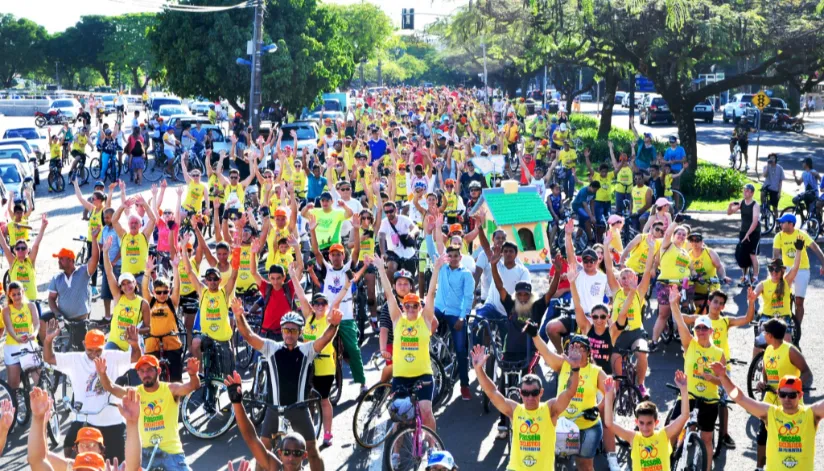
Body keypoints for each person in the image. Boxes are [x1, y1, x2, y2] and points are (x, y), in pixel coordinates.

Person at [232, 300, 342, 471]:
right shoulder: (271, 347)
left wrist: (334, 325)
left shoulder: (307, 350)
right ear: (282, 331)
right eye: (285, 330)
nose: (289, 334)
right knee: (263, 451)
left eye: (293, 330)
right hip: (273, 409)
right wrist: (239, 316)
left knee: (312, 451)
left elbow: (324, 339)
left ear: (299, 332)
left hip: (298, 409)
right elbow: (249, 336)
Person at [43, 318, 140, 462]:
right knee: (69, 449)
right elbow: (49, 358)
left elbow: (135, 358)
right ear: (83, 345)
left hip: (112, 421)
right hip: (84, 419)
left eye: (99, 350)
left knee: (118, 462)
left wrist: (134, 344)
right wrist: (48, 340)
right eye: (90, 350)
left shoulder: (112, 357)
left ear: (104, 346)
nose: (94, 354)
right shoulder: (75, 360)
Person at [471, 343, 580, 471]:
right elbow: (492, 392)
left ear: (541, 392)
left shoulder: (550, 410)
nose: (530, 397)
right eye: (525, 393)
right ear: (520, 393)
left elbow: (569, 392)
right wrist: (479, 369)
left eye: (534, 393)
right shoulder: (514, 410)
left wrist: (575, 369)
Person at [710, 362, 823, 471]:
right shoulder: (770, 413)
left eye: (792, 395)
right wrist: (723, 377)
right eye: (783, 394)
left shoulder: (811, 414)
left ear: (800, 395)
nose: (787, 399)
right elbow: (740, 398)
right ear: (778, 395)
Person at [96, 354, 200, 470]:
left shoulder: (171, 389)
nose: (146, 374)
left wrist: (193, 375)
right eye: (142, 371)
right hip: (143, 453)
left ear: (159, 371)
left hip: (171, 453)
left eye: (150, 370)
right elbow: (111, 387)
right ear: (138, 374)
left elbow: (193, 386)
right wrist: (102, 374)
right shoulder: (134, 393)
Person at [289, 263, 349, 447]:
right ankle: (308, 431)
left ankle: (328, 433)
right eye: (317, 303)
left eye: (323, 303)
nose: (320, 306)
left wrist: (347, 285)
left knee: (323, 400)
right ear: (313, 305)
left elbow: (337, 300)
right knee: (306, 400)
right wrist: (292, 274)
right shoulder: (310, 316)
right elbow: (300, 293)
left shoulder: (329, 317)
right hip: (307, 365)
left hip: (324, 366)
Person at [670, 289, 726, 471]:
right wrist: (673, 304)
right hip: (689, 396)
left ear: (711, 331)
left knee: (707, 438)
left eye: (704, 328)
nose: (701, 331)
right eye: (698, 328)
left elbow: (723, 382)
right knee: (672, 430)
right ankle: (668, 460)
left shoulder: (718, 353)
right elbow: (680, 323)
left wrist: (713, 378)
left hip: (709, 400)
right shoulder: (690, 344)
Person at [27, 387, 142, 471]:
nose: (87, 448)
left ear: (101, 450)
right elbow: (39, 459)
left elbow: (133, 467)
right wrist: (39, 420)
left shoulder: (111, 469)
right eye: (82, 444)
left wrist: (132, 423)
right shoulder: (70, 465)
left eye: (92, 444)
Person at [226, 371, 315, 471]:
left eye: (297, 453)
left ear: (304, 455)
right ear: (280, 454)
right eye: (287, 452)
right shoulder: (274, 467)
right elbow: (251, 438)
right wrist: (237, 402)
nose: (291, 458)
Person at [603, 230, 655, 395]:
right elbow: (610, 269)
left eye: (630, 277)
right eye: (623, 277)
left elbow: (647, 271)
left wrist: (652, 250)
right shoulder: (616, 291)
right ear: (619, 281)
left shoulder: (639, 293)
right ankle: (618, 388)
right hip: (618, 334)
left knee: (642, 352)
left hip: (636, 332)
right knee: (616, 366)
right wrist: (605, 246)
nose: (626, 280)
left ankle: (641, 384)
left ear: (635, 280)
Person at [604, 371, 690, 471]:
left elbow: (685, 415)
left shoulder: (664, 435)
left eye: (649, 423)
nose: (645, 428)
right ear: (636, 422)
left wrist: (684, 390)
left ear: (656, 423)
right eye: (641, 423)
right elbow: (609, 423)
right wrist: (608, 395)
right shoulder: (633, 438)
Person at [46, 235, 101, 350]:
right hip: (64, 321)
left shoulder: (83, 272)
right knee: (63, 349)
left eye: (61, 258)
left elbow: (95, 259)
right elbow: (51, 299)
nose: (59, 261)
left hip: (81, 321)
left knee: (82, 350)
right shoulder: (57, 278)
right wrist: (57, 313)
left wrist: (94, 239)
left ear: (71, 260)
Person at [772, 213, 824, 327]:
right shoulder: (779, 236)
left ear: (791, 224)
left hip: (802, 269)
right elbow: (775, 256)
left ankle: (797, 328)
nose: (780, 224)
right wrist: (776, 271)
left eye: (783, 222)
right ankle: (782, 324)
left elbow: (816, 248)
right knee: (781, 297)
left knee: (799, 301)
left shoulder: (801, 235)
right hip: (787, 269)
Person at [650, 223, 695, 347]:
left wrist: (695, 274)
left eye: (684, 234)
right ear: (674, 236)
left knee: (685, 311)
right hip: (666, 284)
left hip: (684, 286)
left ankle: (683, 334)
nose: (681, 236)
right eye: (678, 233)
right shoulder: (667, 246)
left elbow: (691, 267)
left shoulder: (685, 252)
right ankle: (654, 341)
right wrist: (675, 222)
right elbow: (668, 234)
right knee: (663, 314)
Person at [142, 256, 184, 381]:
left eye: (165, 292)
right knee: (150, 377)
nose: (162, 295)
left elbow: (177, 288)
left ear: (168, 292)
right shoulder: (150, 301)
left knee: (176, 378)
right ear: (154, 292)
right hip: (152, 343)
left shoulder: (172, 302)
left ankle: (177, 398)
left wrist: (176, 269)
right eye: (159, 292)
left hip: (171, 342)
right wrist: (147, 273)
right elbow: (144, 288)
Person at [753, 256, 802, 345]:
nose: (774, 272)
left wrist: (798, 250)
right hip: (767, 317)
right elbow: (754, 294)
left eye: (777, 270)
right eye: (771, 269)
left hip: (783, 317)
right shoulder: (763, 284)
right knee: (759, 344)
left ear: (782, 271)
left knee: (786, 342)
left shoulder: (787, 281)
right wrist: (752, 297)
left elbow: (795, 267)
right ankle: (757, 359)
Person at [112, 194, 157, 284]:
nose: (133, 224)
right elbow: (114, 221)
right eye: (131, 223)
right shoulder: (124, 235)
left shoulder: (144, 236)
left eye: (136, 223)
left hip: (141, 276)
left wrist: (145, 204)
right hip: (126, 277)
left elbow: (153, 220)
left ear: (140, 225)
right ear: (128, 224)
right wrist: (122, 207)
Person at [686, 232, 730, 313]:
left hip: (712, 285)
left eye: (697, 240)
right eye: (692, 240)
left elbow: (719, 266)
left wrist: (723, 277)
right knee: (700, 312)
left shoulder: (709, 252)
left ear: (702, 242)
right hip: (698, 287)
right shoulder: (688, 255)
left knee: (713, 310)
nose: (695, 243)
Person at [728, 183, 761, 284]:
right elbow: (729, 213)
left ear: (752, 193)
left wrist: (748, 234)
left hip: (754, 233)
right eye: (744, 190)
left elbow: (755, 222)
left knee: (752, 255)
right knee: (743, 255)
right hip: (743, 231)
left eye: (747, 191)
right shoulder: (742, 202)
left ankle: (755, 277)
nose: (745, 192)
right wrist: (730, 206)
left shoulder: (755, 205)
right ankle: (745, 276)